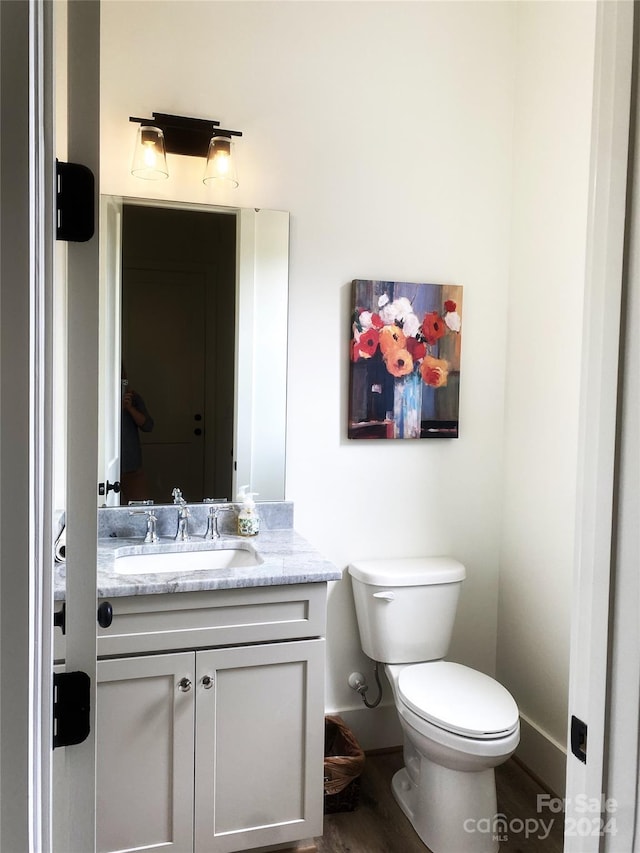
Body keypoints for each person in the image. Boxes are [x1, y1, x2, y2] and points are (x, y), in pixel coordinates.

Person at [120, 368, 154, 503]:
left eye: (123, 380)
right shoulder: (101, 398)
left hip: (131, 464)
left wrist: (129, 408)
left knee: (139, 508)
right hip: (103, 466)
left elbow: (148, 426)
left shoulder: (133, 398)